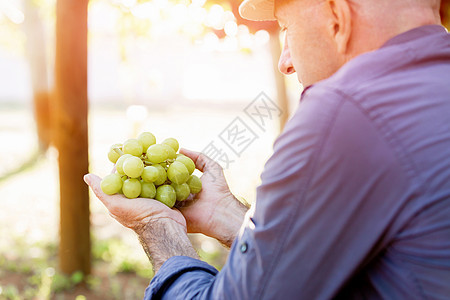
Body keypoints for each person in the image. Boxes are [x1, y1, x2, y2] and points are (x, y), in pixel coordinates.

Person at [84, 0, 450, 298]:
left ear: (337, 16)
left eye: (286, 28)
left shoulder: (346, 113)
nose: (285, 62)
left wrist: (158, 228)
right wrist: (226, 214)